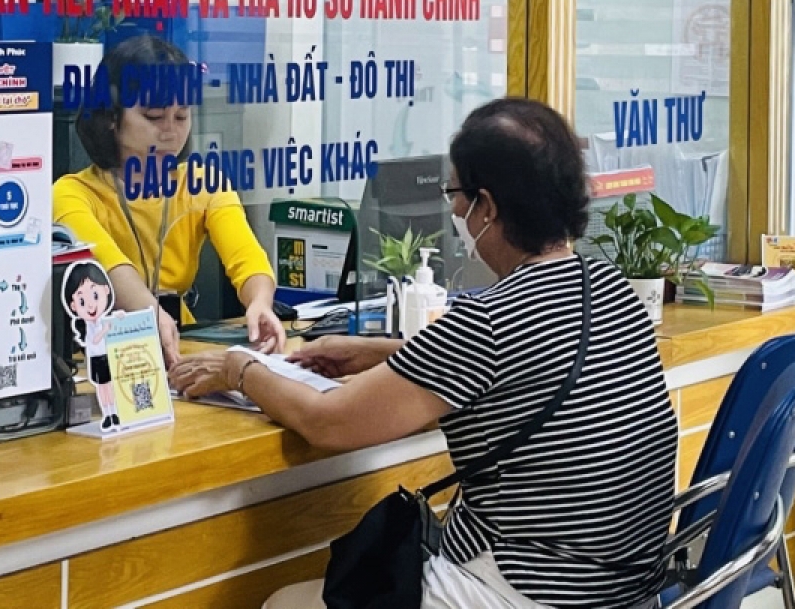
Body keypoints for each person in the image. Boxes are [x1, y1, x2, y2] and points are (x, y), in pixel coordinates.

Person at [170, 98, 678, 608]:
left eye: (457, 195)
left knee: (285, 603)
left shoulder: (489, 319)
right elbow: (524, 363)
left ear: (487, 206)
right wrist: (379, 352)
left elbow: (329, 423)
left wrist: (241, 369)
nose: (453, 211)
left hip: (531, 591)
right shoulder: (608, 286)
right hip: (626, 589)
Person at [53, 35, 284, 368]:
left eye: (181, 116)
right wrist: (151, 314)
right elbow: (111, 269)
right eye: (154, 116)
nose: (170, 132)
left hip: (180, 343)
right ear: (111, 118)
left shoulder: (202, 183)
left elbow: (248, 259)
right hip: (107, 351)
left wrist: (260, 303)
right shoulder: (71, 194)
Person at [62, 261, 120, 431]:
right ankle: (108, 414)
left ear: (106, 290)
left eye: (95, 295)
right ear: (73, 306)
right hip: (96, 358)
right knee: (103, 388)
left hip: (107, 355)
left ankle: (114, 413)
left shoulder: (105, 319)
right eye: (82, 300)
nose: (90, 305)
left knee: (109, 387)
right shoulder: (88, 326)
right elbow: (94, 340)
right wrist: (106, 330)